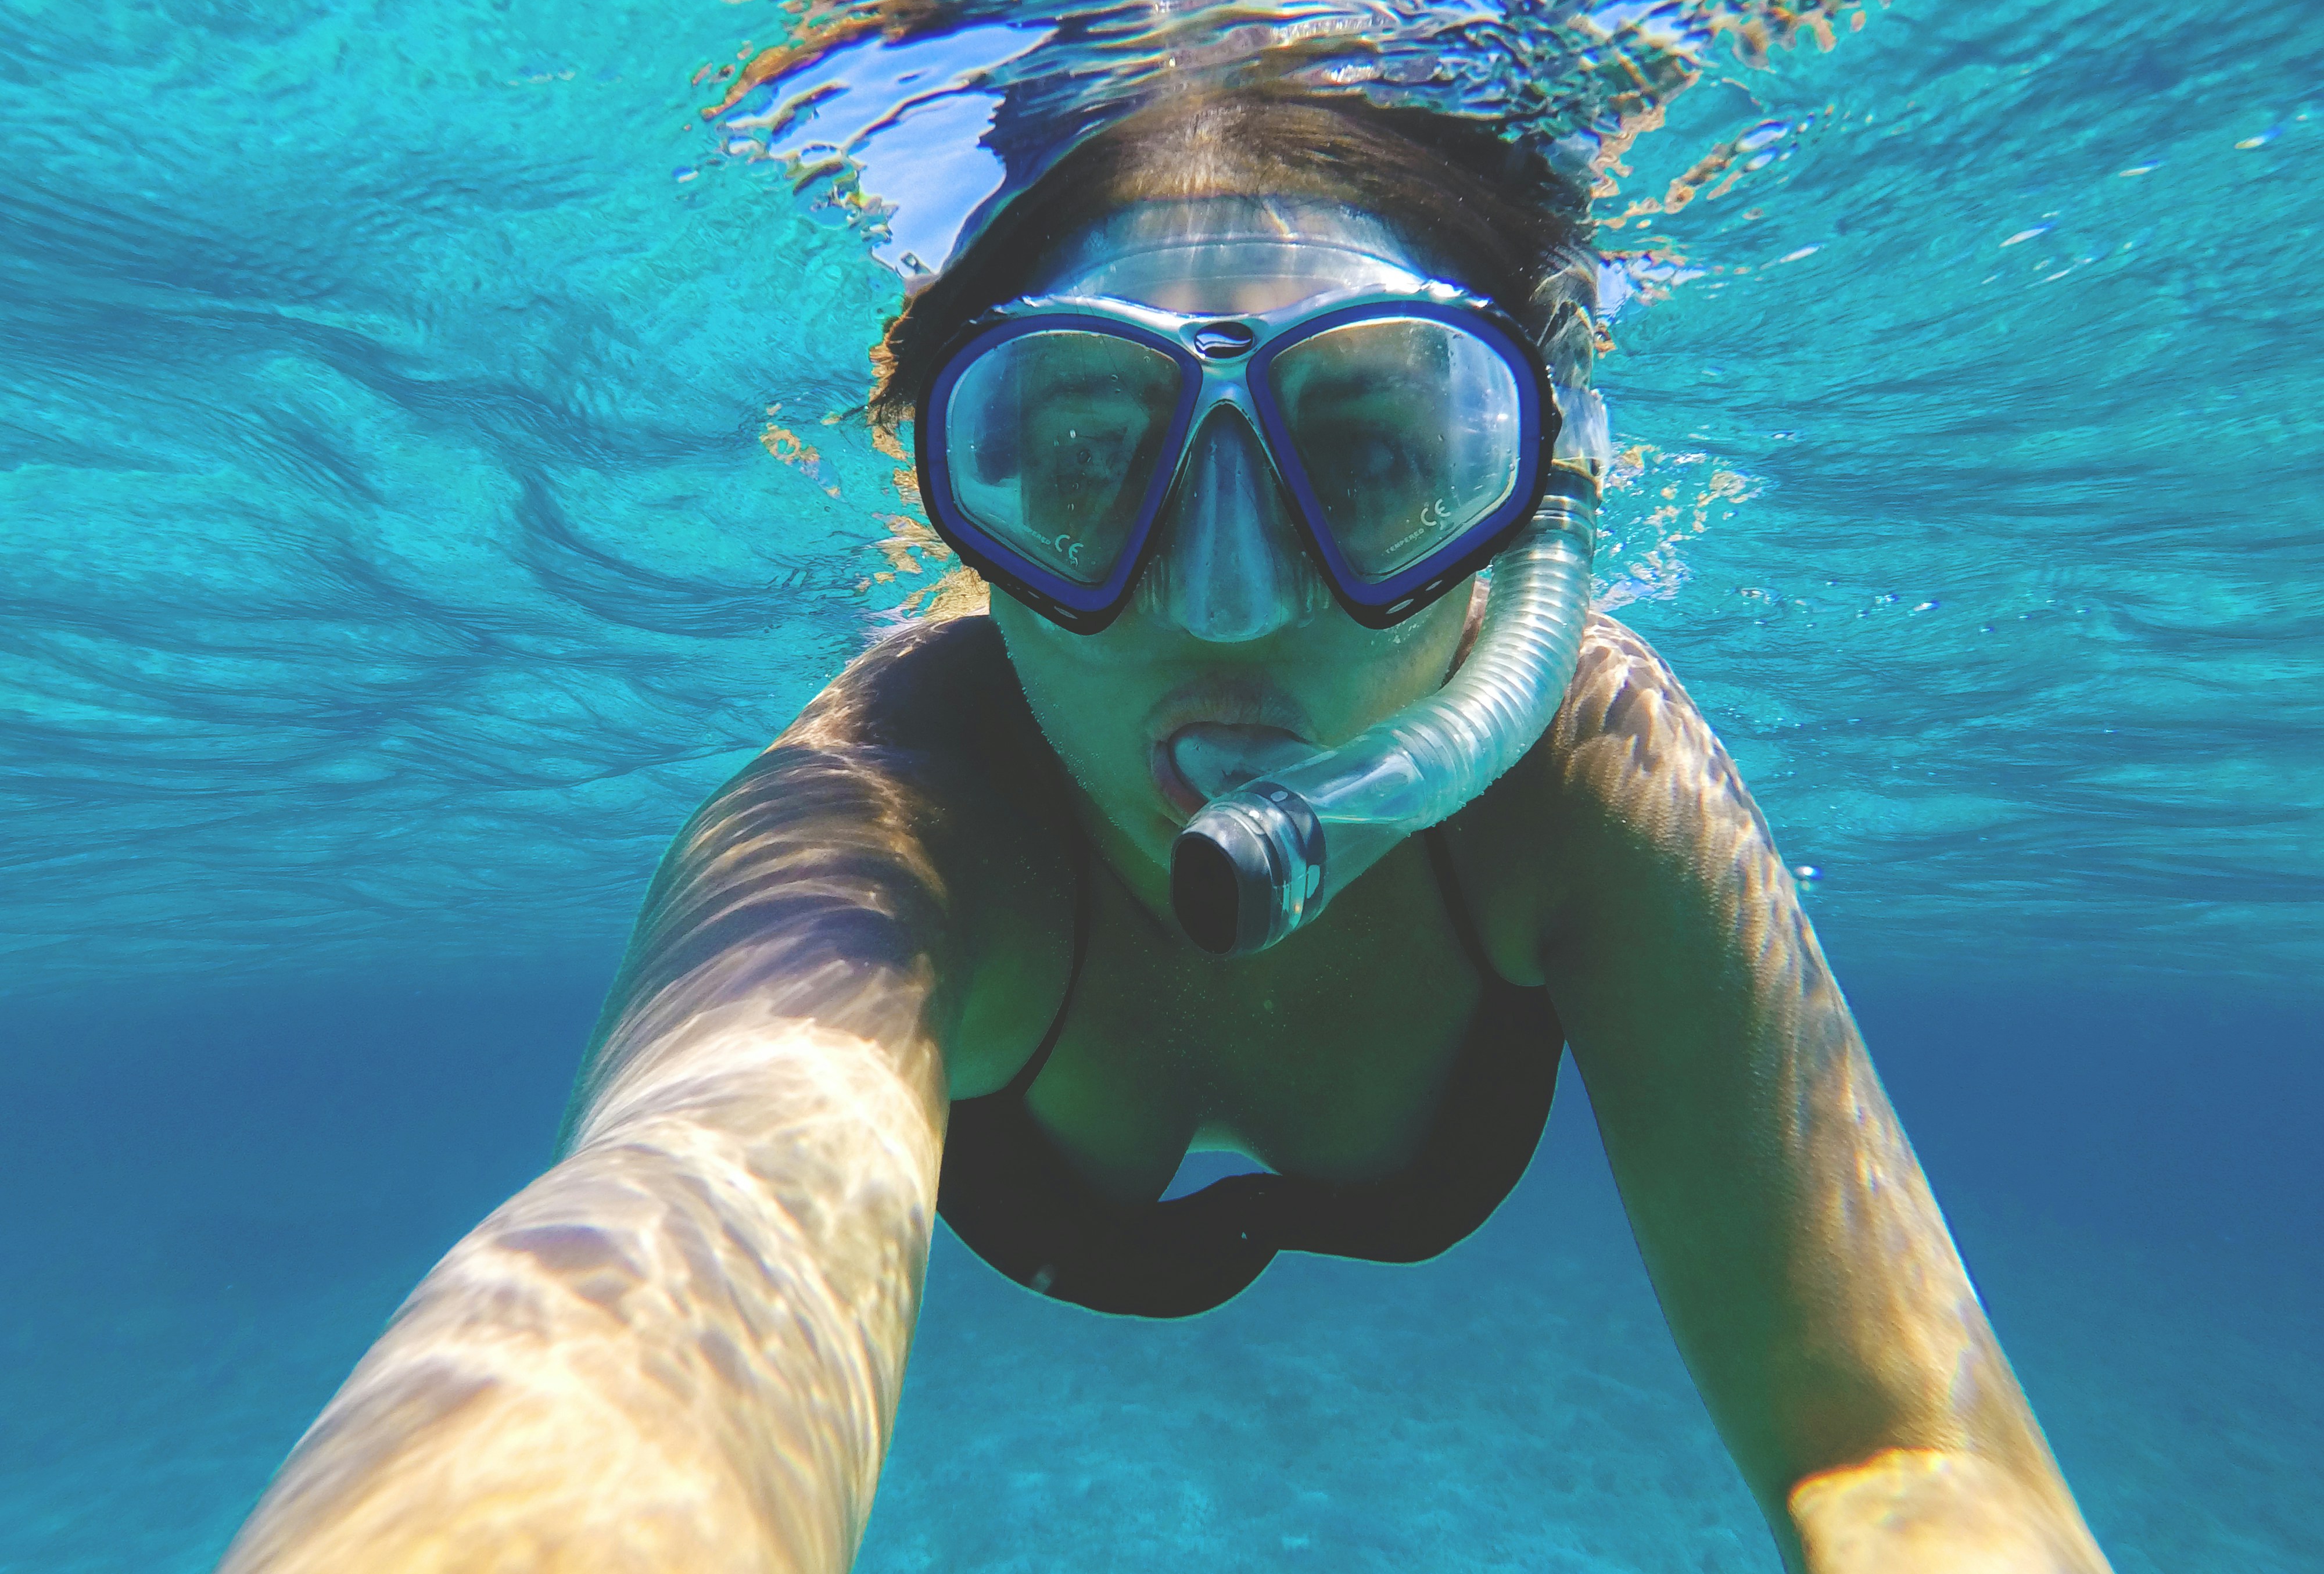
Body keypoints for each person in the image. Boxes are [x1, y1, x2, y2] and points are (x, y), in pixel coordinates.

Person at [220, 94, 2114, 1573]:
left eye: (1375, 454)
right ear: (969, 509)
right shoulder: (884, 820)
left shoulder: (1585, 771)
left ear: (1534, 516)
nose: (1221, 605)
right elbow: (665, 1224)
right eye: (1086, 452)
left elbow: (1904, 1449)